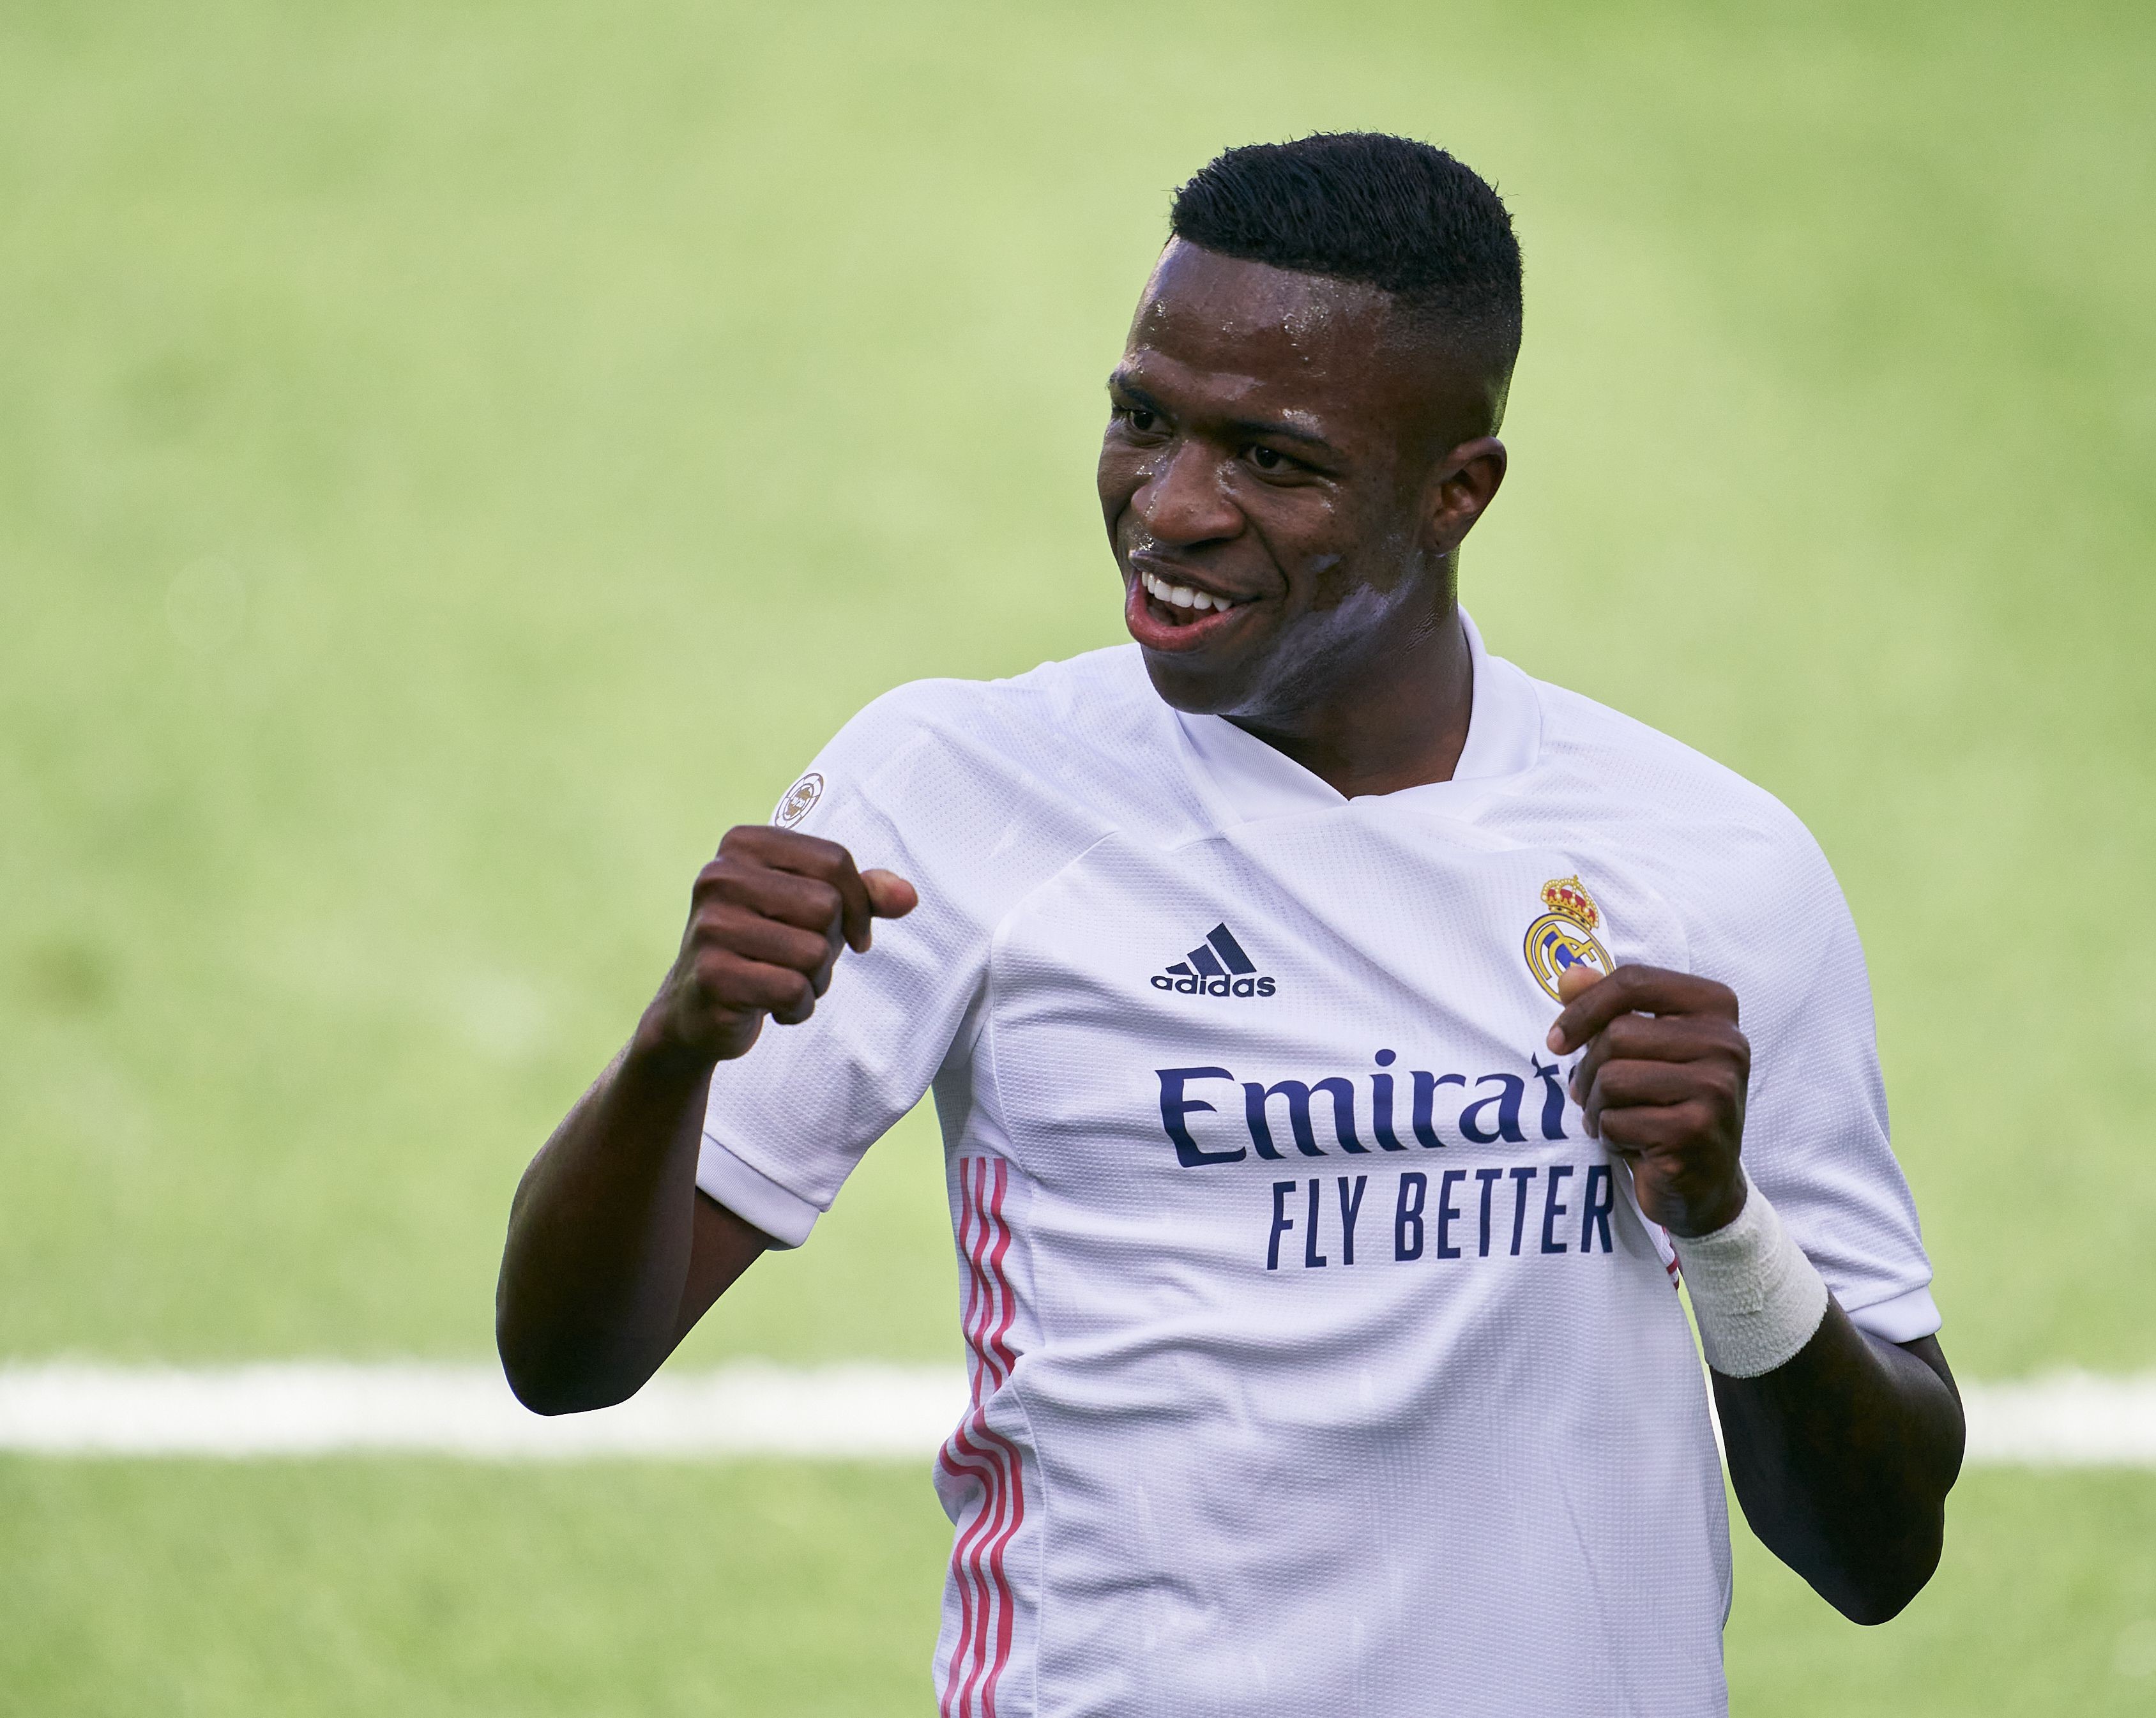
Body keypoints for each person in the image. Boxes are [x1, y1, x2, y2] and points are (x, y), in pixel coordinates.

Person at [497, 132, 1962, 1716]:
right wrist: (674, 1045)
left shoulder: (1705, 859)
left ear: (1453, 490)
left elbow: (1875, 1553)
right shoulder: (953, 790)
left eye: (1271, 457)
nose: (1169, 507)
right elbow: (567, 1361)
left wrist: (1725, 1217)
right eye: (1142, 421)